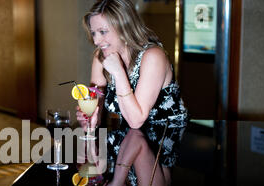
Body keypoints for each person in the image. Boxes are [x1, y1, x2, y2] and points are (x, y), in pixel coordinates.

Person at [77, 0, 188, 132]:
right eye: (93, 32)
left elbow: (136, 121)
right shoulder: (100, 56)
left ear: (124, 28)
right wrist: (90, 116)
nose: (96, 41)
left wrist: (119, 73)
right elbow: (97, 97)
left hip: (166, 136)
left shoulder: (153, 56)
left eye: (103, 31)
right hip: (131, 136)